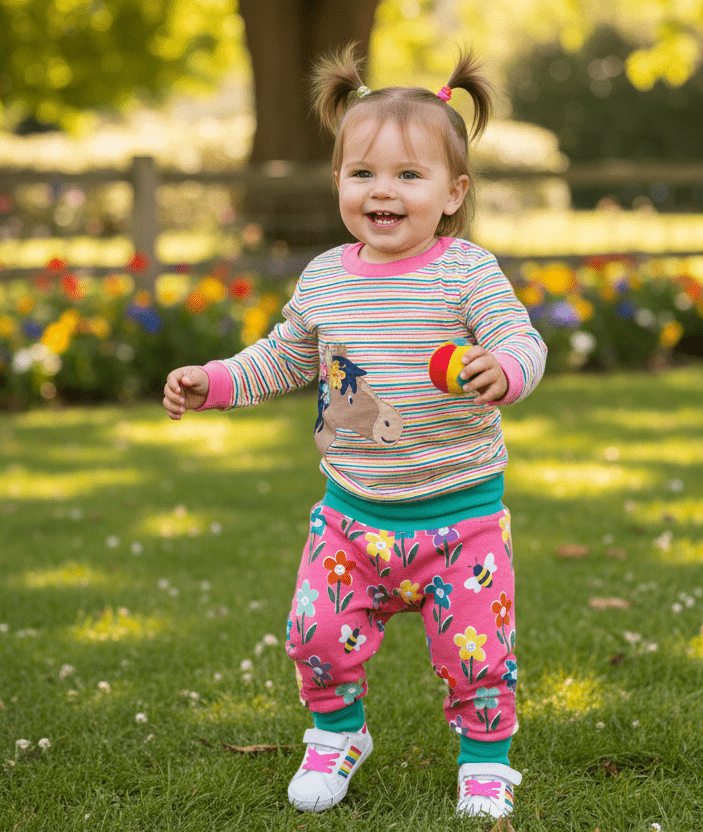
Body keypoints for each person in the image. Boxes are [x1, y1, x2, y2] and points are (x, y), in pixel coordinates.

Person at [162, 44, 547, 819]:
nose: (383, 191)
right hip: (351, 518)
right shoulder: (326, 278)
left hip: (461, 519)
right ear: (338, 180)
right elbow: (281, 358)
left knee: (476, 654)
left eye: (409, 175)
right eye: (363, 172)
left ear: (452, 192)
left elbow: (522, 338)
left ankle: (484, 761)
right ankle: (337, 734)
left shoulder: (466, 271)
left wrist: (504, 370)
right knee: (315, 634)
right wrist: (214, 383)